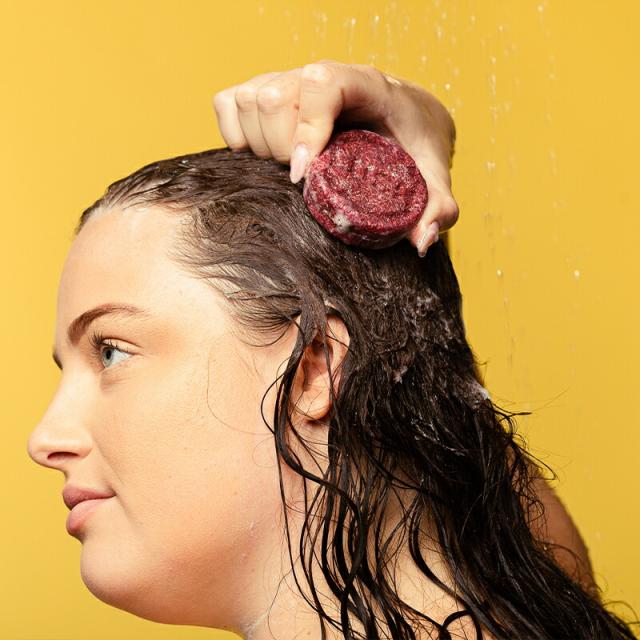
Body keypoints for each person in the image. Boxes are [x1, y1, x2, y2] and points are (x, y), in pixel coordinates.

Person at [27, 61, 636, 639]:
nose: (45, 440)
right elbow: (517, 536)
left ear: (313, 370)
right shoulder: (533, 599)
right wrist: (392, 218)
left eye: (111, 352)